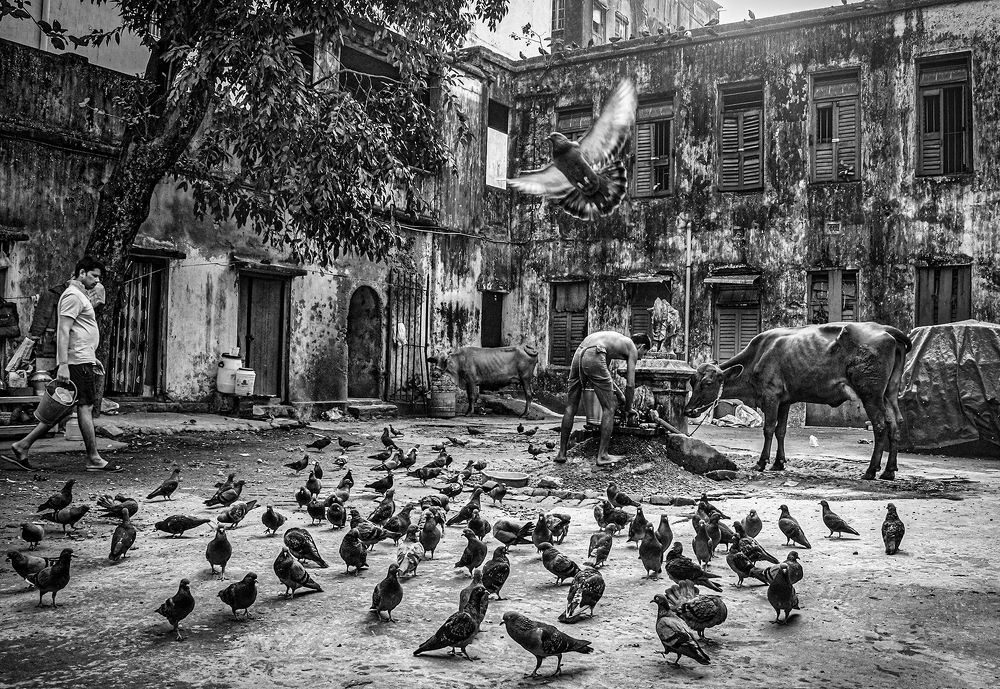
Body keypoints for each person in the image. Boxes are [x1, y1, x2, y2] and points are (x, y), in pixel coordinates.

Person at [2, 256, 122, 472]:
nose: (97, 281)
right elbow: (63, 331)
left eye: (99, 277)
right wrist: (64, 364)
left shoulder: (80, 296)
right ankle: (93, 458)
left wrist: (91, 356)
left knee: (63, 409)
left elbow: (79, 331)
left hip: (82, 360)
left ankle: (23, 445)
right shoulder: (73, 296)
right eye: (94, 276)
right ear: (82, 272)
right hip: (75, 363)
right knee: (85, 407)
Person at [554, 331, 651, 467]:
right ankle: (603, 455)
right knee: (610, 408)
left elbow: (605, 376)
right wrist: (628, 408)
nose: (641, 357)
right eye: (644, 353)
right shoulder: (632, 348)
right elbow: (630, 384)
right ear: (641, 346)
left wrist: (621, 395)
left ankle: (561, 453)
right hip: (594, 353)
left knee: (571, 406)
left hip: (580, 352)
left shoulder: (613, 342)